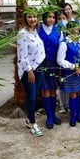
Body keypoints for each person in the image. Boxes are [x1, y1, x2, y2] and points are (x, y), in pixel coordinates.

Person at [17, 9, 46, 137]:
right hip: (29, 71)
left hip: (39, 68)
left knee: (34, 96)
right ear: (25, 18)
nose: (32, 19)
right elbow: (22, 56)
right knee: (31, 97)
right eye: (30, 17)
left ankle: (30, 118)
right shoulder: (23, 34)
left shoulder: (34, 31)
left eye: (34, 16)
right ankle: (32, 123)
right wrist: (29, 70)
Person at [57, 21, 80, 127]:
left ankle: (79, 115)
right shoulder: (64, 43)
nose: (76, 32)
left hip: (79, 71)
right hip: (70, 72)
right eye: (73, 29)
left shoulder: (79, 42)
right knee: (73, 94)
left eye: (77, 29)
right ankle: (72, 117)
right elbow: (60, 60)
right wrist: (73, 67)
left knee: (79, 93)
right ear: (68, 30)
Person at [38, 10, 62, 129]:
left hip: (54, 63)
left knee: (53, 90)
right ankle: (49, 117)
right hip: (42, 63)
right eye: (48, 17)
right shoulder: (38, 29)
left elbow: (61, 47)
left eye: (53, 17)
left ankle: (53, 115)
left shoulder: (58, 30)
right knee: (45, 90)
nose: (51, 19)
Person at [56, 9, 70, 114]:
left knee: (68, 81)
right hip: (59, 59)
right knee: (61, 82)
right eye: (59, 19)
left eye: (63, 18)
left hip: (69, 59)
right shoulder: (55, 30)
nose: (62, 21)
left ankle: (68, 104)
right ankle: (62, 104)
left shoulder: (70, 29)